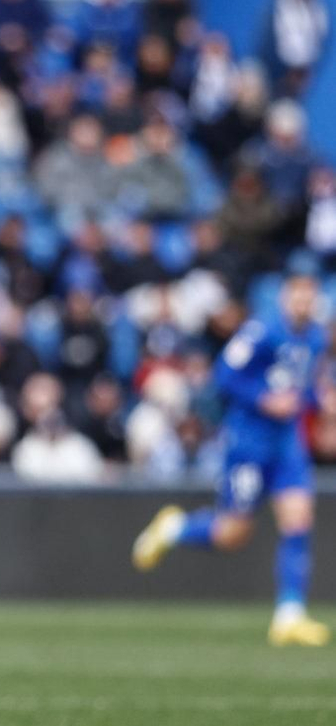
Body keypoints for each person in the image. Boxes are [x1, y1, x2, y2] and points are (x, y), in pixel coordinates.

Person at [133, 270, 329, 646]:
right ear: (286, 298)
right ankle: (174, 529)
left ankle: (290, 614)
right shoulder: (262, 332)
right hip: (248, 444)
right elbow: (225, 375)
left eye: (309, 297)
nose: (303, 304)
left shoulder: (316, 338)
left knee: (299, 519)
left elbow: (300, 389)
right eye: (297, 296)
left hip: (286, 444)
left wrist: (319, 401)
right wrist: (263, 399)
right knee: (233, 533)